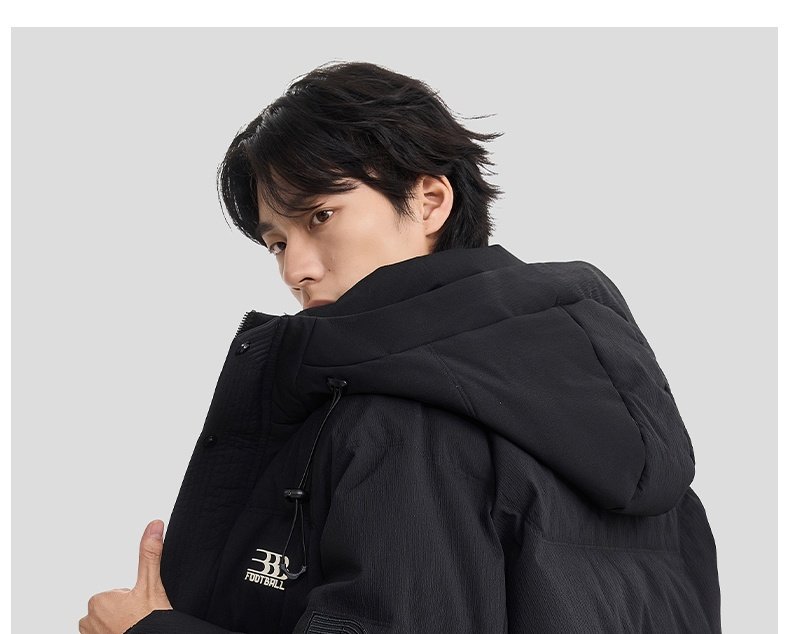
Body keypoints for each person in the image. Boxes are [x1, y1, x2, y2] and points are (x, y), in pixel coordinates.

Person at [80, 61, 722, 634]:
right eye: (277, 242)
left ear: (429, 201)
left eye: (320, 216)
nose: (295, 270)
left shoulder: (404, 417)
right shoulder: (623, 435)